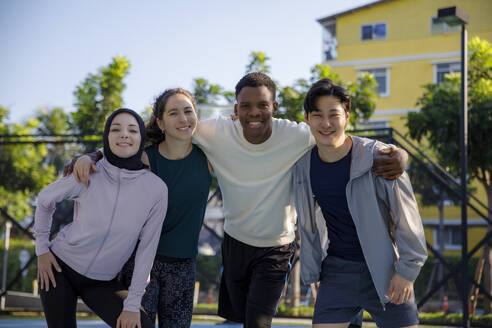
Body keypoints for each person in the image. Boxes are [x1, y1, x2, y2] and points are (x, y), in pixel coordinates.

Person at [70, 72, 408, 328]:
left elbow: (339, 135)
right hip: (234, 246)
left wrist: (400, 155)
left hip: (277, 247)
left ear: (274, 107)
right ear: (236, 109)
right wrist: (94, 154)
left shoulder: (299, 134)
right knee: (233, 321)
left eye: (263, 105)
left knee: (256, 323)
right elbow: (152, 132)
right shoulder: (213, 131)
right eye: (246, 106)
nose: (254, 112)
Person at [71, 88, 212, 327]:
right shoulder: (145, 158)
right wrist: (89, 158)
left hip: (184, 264)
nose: (183, 119)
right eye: (174, 113)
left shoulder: (208, 157)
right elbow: (112, 154)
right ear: (161, 122)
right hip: (141, 260)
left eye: (188, 111)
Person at [293, 79, 428, 328]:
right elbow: (306, 224)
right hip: (336, 273)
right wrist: (312, 275)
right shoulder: (303, 167)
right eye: (317, 115)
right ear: (307, 119)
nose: (326, 123)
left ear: (346, 116)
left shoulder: (380, 158)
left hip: (386, 271)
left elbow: (408, 220)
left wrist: (407, 272)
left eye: (333, 114)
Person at [34, 108, 168, 328]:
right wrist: (42, 249)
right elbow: (45, 200)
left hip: (102, 281)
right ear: (106, 137)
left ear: (141, 139)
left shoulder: (156, 190)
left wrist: (132, 305)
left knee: (143, 325)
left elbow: (148, 248)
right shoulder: (89, 171)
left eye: (132, 130)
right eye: (116, 129)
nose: (124, 134)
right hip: (59, 269)